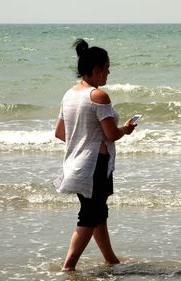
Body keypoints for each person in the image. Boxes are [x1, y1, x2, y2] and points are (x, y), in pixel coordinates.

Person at [54, 38, 136, 271]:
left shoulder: (69, 94)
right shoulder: (98, 96)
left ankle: (111, 259)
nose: (109, 73)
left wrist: (83, 138)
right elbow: (111, 135)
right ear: (97, 69)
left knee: (98, 212)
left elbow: (61, 133)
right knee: (90, 216)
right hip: (95, 165)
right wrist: (126, 129)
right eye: (107, 68)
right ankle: (68, 266)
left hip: (75, 164)